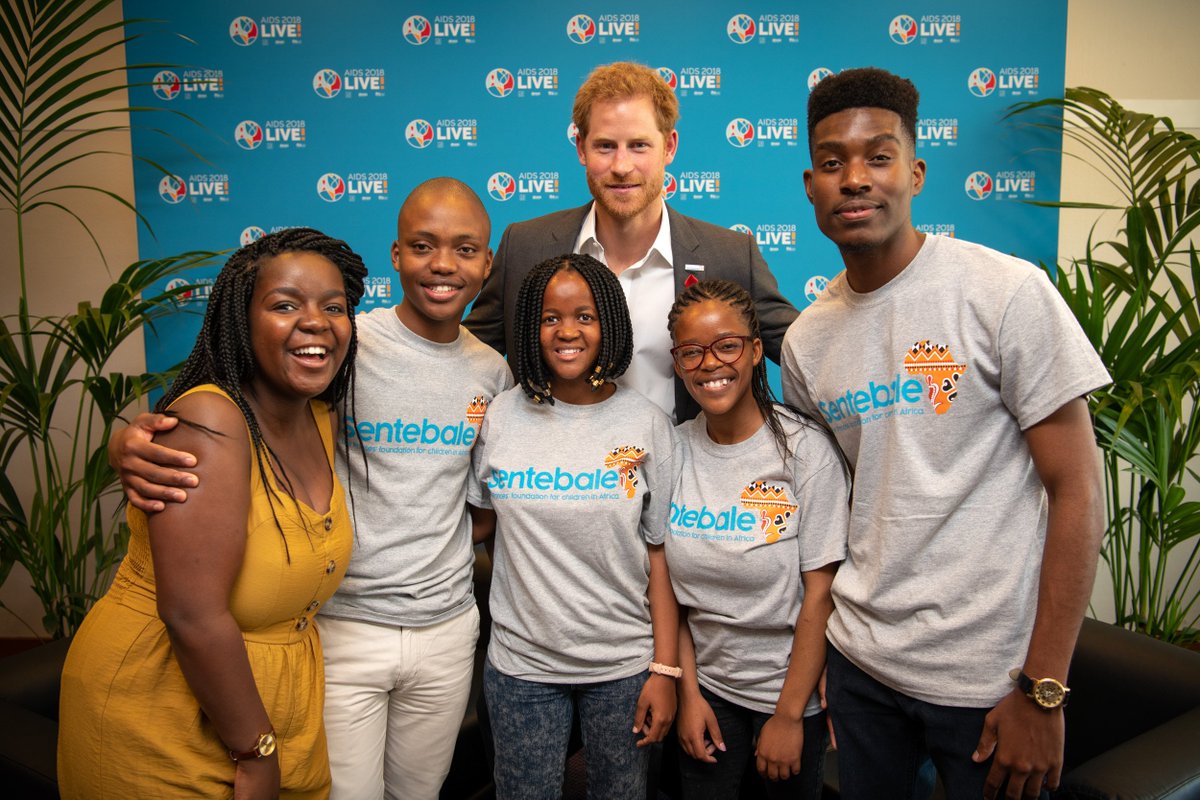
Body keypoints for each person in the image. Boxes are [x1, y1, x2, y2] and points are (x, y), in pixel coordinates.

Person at [106, 179, 512, 800]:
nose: (442, 265)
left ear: (487, 263)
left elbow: (482, 500)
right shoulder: (342, 342)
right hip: (341, 624)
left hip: (447, 627)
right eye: (423, 246)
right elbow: (233, 402)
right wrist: (132, 438)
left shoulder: (492, 370)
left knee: (420, 793)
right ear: (396, 255)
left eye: (465, 249)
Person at [780, 67, 1109, 799]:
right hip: (861, 668)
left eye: (879, 156)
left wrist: (1044, 688)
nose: (855, 179)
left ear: (916, 172)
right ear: (810, 186)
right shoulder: (806, 343)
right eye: (833, 163)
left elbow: (1079, 488)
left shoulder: (1005, 292)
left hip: (989, 681)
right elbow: (840, 507)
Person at [58, 227, 368, 799]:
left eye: (334, 307)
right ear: (239, 321)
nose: (317, 322)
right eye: (284, 305)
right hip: (161, 712)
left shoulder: (319, 415)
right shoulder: (211, 420)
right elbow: (192, 614)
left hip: (273, 710)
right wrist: (255, 753)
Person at [464, 61, 798, 422]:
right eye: (605, 146)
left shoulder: (731, 256)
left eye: (639, 145)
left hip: (678, 474)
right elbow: (459, 356)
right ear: (580, 148)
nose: (622, 166)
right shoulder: (525, 248)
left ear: (669, 147)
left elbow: (806, 354)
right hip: (553, 476)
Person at [468, 253, 678, 799]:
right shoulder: (500, 417)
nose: (567, 331)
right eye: (549, 318)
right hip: (522, 668)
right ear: (528, 329)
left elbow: (660, 556)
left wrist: (665, 669)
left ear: (608, 324)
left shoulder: (648, 425)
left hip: (624, 666)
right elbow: (477, 526)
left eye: (585, 316)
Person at [665, 280, 848, 800]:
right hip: (708, 694)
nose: (709, 364)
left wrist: (790, 716)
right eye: (691, 352)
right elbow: (672, 595)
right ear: (677, 364)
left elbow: (821, 593)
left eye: (726, 345)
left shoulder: (804, 453)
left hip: (787, 695)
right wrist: (689, 693)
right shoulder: (673, 449)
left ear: (754, 350)